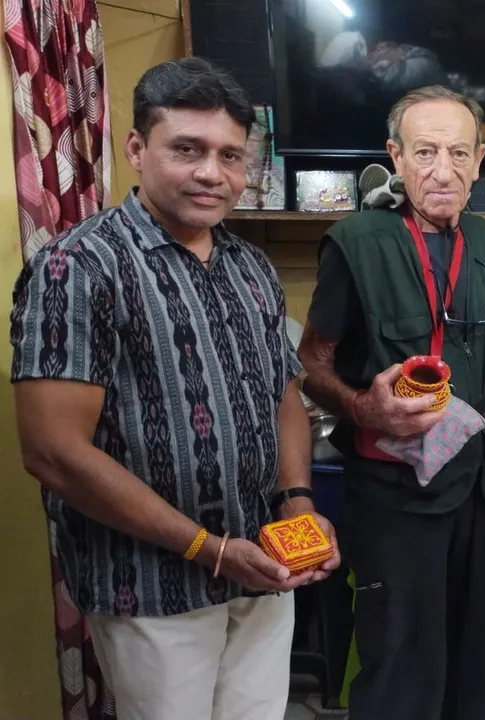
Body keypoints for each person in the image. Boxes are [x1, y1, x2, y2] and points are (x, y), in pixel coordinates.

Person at [9, 57, 336, 720]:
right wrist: (209, 549)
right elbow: (53, 452)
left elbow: (282, 395)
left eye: (230, 155)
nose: (212, 173)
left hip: (262, 570)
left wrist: (297, 501)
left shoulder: (250, 266)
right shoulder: (79, 266)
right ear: (137, 148)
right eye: (187, 149)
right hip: (151, 587)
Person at [297, 85, 485, 720]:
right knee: (403, 665)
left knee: (481, 658)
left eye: (459, 153)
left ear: (479, 161)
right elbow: (311, 363)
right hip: (398, 492)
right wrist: (362, 408)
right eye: (425, 151)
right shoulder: (354, 242)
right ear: (396, 156)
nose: (443, 170)